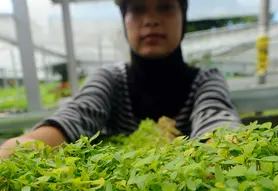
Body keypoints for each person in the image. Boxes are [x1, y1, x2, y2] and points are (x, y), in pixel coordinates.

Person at [0, 0, 241, 158]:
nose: (151, 20)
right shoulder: (111, 79)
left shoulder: (205, 81)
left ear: (183, 16)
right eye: (137, 8)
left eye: (165, 6)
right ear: (124, 20)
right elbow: (75, 118)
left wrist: (226, 152)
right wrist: (21, 148)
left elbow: (217, 119)